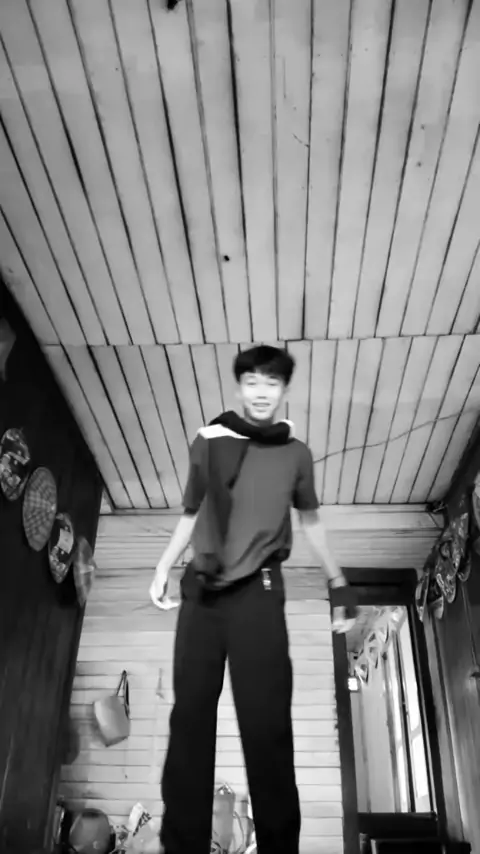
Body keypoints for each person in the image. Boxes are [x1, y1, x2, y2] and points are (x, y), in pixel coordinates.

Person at [149, 345, 357, 854]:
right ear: (240, 386)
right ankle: (182, 846)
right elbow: (191, 510)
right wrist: (163, 564)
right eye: (252, 381)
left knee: (266, 724)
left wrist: (338, 583)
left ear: (284, 390)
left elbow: (311, 523)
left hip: (259, 593)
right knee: (189, 720)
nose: (261, 392)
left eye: (271, 383)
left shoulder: (296, 454)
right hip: (202, 593)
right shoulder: (209, 440)